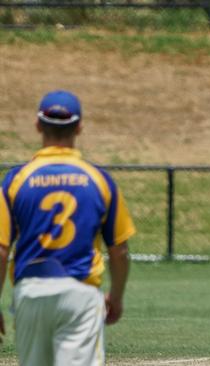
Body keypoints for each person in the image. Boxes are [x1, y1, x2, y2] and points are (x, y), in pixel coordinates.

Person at [0, 90, 136, 365]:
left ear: (38, 126)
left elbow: (1, 251)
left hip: (31, 293)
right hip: (80, 295)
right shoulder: (99, 181)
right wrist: (117, 298)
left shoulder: (16, 181)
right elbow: (119, 250)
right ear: (80, 127)